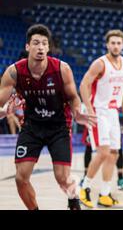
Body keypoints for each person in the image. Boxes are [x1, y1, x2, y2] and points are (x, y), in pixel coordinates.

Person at [0, 24, 96, 210]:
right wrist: (3, 111)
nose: (41, 47)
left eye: (45, 43)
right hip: (31, 126)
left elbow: (73, 97)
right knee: (21, 178)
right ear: (28, 47)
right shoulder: (14, 72)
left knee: (62, 178)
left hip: (58, 126)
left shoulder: (62, 69)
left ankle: (73, 195)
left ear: (49, 47)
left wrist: (77, 112)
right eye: (36, 43)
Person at [79, 30, 123, 208]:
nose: (115, 45)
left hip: (113, 112)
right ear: (107, 44)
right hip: (98, 111)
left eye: (118, 43)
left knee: (114, 153)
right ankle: (84, 189)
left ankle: (105, 194)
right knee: (103, 152)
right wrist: (89, 109)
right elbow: (84, 84)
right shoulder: (100, 63)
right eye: (112, 43)